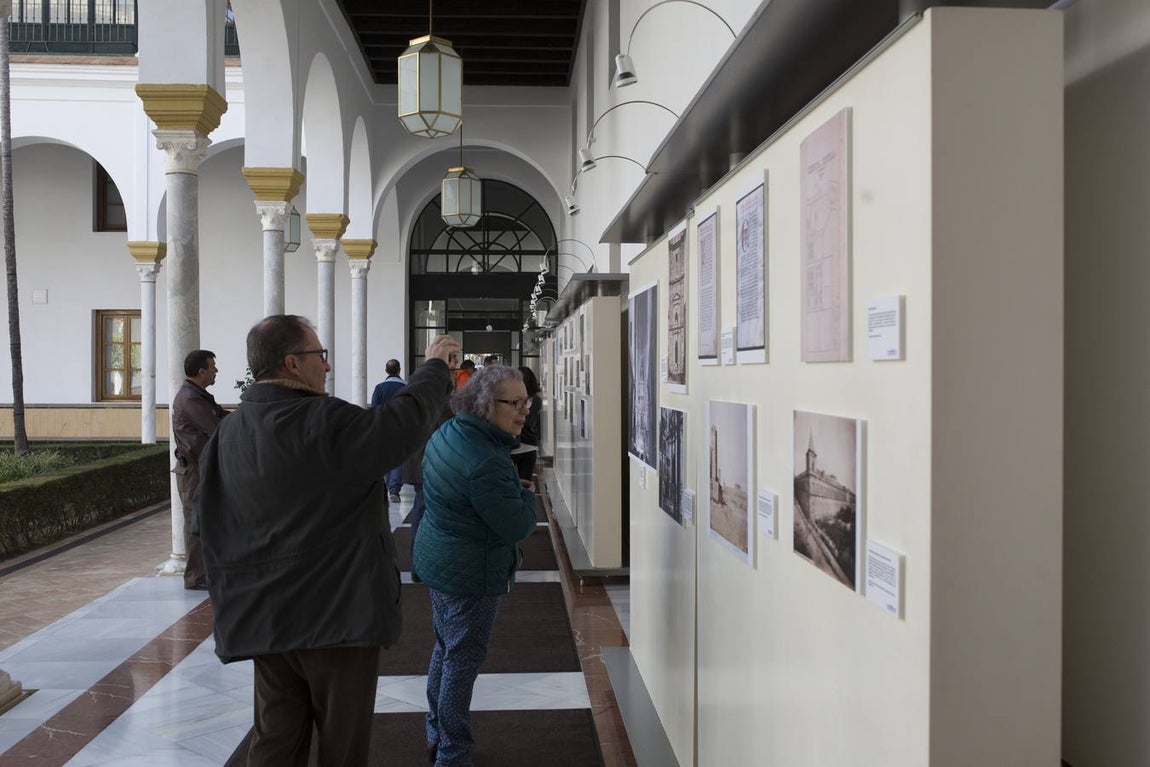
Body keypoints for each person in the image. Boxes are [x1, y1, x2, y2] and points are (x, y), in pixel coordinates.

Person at [195, 315, 459, 766]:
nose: (328, 366)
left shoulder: (229, 433)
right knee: (342, 744)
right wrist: (434, 369)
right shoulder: (322, 420)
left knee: (276, 737)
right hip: (334, 619)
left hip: (265, 618)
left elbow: (208, 524)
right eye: (320, 356)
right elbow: (399, 427)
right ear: (292, 363)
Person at [414, 365, 538, 767]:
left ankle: (436, 729)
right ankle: (453, 752)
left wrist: (504, 490)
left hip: (441, 559)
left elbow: (457, 490)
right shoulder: (487, 460)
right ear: (485, 403)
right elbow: (517, 525)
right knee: (462, 660)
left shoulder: (450, 432)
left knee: (446, 649)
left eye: (527, 402)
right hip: (470, 571)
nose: (524, 412)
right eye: (514, 403)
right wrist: (526, 497)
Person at [171, 348, 227, 591]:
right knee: (195, 522)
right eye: (213, 367)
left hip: (200, 468)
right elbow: (215, 426)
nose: (216, 371)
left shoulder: (199, 395)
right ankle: (195, 577)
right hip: (193, 471)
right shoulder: (191, 399)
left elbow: (221, 417)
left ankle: (206, 572)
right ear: (202, 371)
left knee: (204, 519)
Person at [371, 358, 407, 503]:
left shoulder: (379, 388)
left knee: (385, 456)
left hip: (383, 427)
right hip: (401, 427)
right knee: (398, 458)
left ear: (386, 371)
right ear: (399, 370)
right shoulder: (406, 387)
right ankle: (394, 489)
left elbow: (374, 409)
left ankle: (386, 485)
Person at [510, 366, 542, 482]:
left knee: (525, 483)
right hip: (513, 446)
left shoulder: (535, 401)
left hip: (527, 446)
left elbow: (528, 422)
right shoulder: (512, 398)